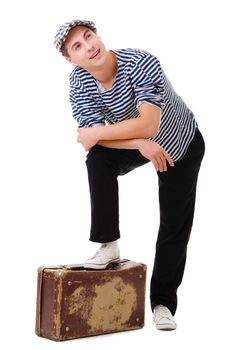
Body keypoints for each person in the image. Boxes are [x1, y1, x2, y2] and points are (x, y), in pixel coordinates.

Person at [54, 19, 205, 331]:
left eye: (89, 36)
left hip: (181, 144)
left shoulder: (140, 62)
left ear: (98, 35)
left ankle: (162, 303)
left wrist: (134, 135)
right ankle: (108, 243)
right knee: (98, 160)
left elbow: (148, 124)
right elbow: (91, 141)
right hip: (141, 143)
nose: (89, 46)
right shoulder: (78, 81)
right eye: (77, 46)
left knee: (174, 225)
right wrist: (139, 143)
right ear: (71, 59)